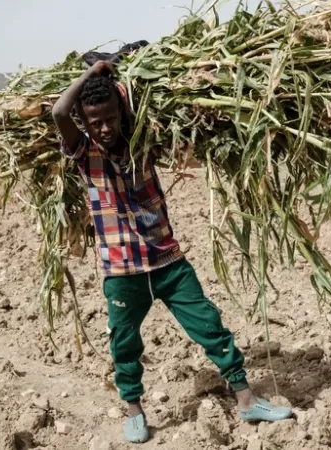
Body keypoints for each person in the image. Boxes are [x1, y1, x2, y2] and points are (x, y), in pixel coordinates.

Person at [51, 60, 292, 443]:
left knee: (210, 326)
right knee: (124, 344)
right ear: (84, 122)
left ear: (121, 113)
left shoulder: (140, 139)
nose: (105, 127)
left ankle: (246, 399)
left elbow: (136, 95)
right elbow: (59, 111)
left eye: (110, 118)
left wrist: (113, 80)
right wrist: (92, 73)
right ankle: (134, 410)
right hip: (123, 272)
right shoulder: (84, 153)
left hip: (167, 261)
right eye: (95, 122)